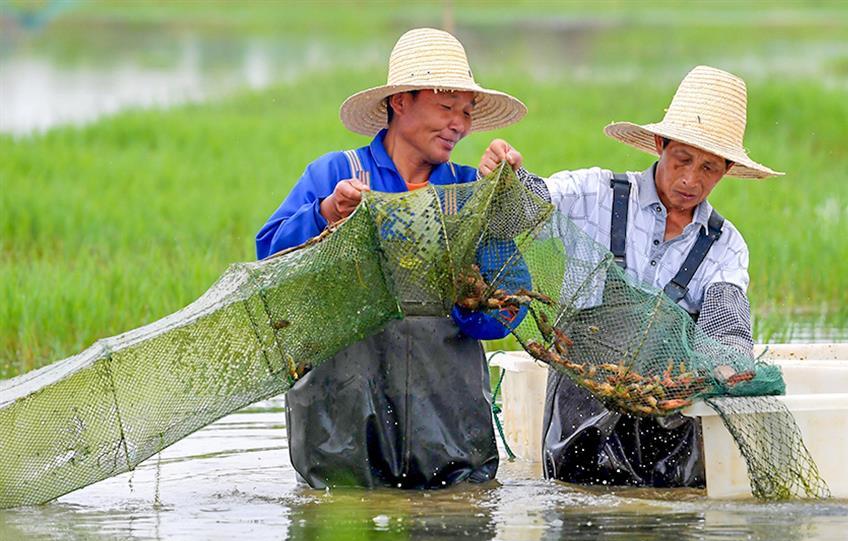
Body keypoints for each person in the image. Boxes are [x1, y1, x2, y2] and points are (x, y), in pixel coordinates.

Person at [479, 66, 782, 488]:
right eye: (682, 160)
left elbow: (726, 324)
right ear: (660, 145)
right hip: (580, 407)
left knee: (670, 530)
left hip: (668, 416)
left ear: (727, 169)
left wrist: (728, 363)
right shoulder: (595, 195)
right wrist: (503, 178)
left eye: (710, 168)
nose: (692, 180)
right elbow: (521, 209)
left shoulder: (725, 246)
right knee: (577, 523)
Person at [256, 28, 527, 490]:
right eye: (445, 107)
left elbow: (509, 306)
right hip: (340, 433)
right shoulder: (338, 174)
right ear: (400, 102)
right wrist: (327, 214)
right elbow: (269, 259)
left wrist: (470, 297)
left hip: (449, 436)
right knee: (340, 533)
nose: (458, 124)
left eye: (466, 112)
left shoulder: (469, 193)